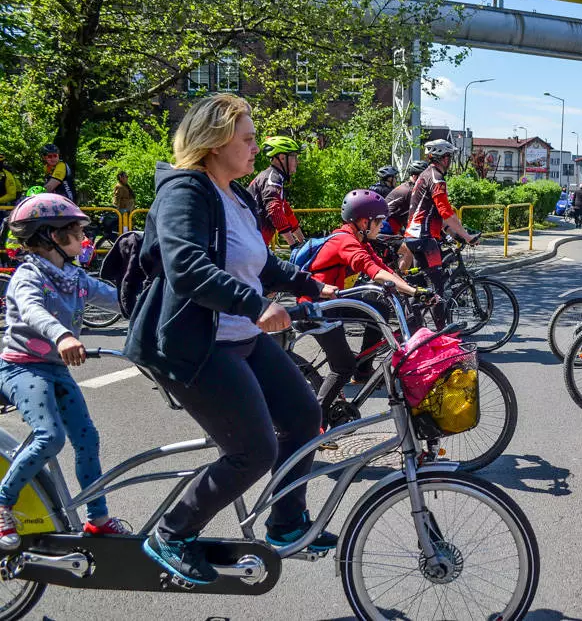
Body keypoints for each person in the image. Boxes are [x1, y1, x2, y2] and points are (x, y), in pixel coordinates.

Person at [124, 94, 339, 585]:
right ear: (216, 142)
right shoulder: (186, 192)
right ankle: (172, 533)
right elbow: (186, 268)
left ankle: (286, 525)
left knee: (305, 414)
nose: (256, 147)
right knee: (252, 450)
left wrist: (316, 284)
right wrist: (257, 305)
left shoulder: (237, 196)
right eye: (247, 138)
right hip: (193, 344)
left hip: (239, 335)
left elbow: (261, 263)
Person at [0, 194, 129, 550]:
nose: (83, 239)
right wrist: (63, 334)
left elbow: (115, 298)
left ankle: (98, 519)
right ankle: (2, 502)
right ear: (51, 236)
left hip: (55, 370)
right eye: (75, 231)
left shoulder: (72, 276)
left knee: (87, 438)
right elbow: (31, 311)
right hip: (21, 368)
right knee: (50, 437)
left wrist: (158, 309)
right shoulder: (28, 276)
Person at [303, 189, 434, 416]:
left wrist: (409, 289)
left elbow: (383, 268)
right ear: (364, 221)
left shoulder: (358, 238)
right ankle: (316, 423)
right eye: (379, 221)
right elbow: (373, 272)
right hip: (316, 307)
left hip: (333, 299)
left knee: (378, 307)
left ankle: (363, 369)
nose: (381, 226)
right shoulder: (345, 241)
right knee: (343, 367)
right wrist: (413, 292)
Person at [403, 139, 478, 328]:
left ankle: (414, 329)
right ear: (443, 158)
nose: (450, 161)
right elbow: (446, 212)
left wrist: (455, 234)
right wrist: (467, 237)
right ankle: (442, 335)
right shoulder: (436, 178)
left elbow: (438, 215)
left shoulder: (426, 175)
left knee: (420, 290)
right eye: (449, 157)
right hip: (425, 238)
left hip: (414, 236)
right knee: (439, 291)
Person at [246, 135, 305, 247]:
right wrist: (293, 245)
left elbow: (286, 212)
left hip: (255, 244)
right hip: (250, 245)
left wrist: (303, 241)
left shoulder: (275, 178)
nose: (297, 161)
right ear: (282, 157)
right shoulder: (272, 179)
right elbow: (275, 210)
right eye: (294, 157)